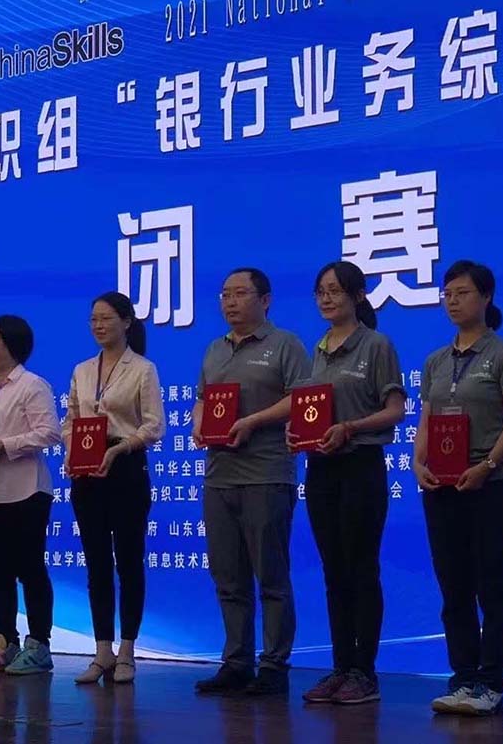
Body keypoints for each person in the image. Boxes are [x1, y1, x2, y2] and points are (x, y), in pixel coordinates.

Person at [414, 261, 503, 716]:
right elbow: (427, 421)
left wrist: (487, 465)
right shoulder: (435, 361)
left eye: (462, 293)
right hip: (441, 487)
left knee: (492, 585)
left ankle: (490, 681)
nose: (453, 301)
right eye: (447, 294)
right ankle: (462, 676)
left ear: (486, 297)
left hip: (490, 485)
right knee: (454, 586)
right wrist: (418, 462)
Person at [192, 268, 311, 697]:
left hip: (266, 473)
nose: (231, 302)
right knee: (228, 577)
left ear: (265, 300)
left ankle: (274, 665)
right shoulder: (214, 349)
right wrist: (199, 425)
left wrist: (254, 421)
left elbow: (303, 399)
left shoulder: (285, 345)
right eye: (225, 294)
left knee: (271, 577)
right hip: (219, 476)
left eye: (240, 293)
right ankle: (236, 661)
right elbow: (203, 399)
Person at [294, 261, 406, 706]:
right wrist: (298, 433)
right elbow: (311, 411)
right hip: (321, 468)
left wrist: (351, 428)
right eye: (321, 291)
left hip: (361, 463)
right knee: (334, 570)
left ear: (358, 296)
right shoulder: (318, 349)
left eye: (336, 291)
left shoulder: (376, 345)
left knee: (361, 568)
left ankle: (365, 671)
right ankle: (341, 667)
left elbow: (395, 410)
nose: (326, 298)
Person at [64, 292, 164, 685]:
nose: (98, 325)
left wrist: (121, 448)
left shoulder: (142, 369)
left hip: (125, 467)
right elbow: (71, 418)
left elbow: (154, 425)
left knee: (129, 560)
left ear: (126, 322)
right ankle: (102, 649)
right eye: (93, 319)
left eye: (106, 318)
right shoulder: (82, 369)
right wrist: (71, 451)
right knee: (96, 563)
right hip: (87, 471)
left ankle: (127, 650)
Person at [0, 315, 61, 675]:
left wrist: (5, 445)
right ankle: (4, 642)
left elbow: (49, 432)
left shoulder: (32, 385)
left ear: (15, 345)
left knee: (30, 569)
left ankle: (39, 645)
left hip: (24, 491)